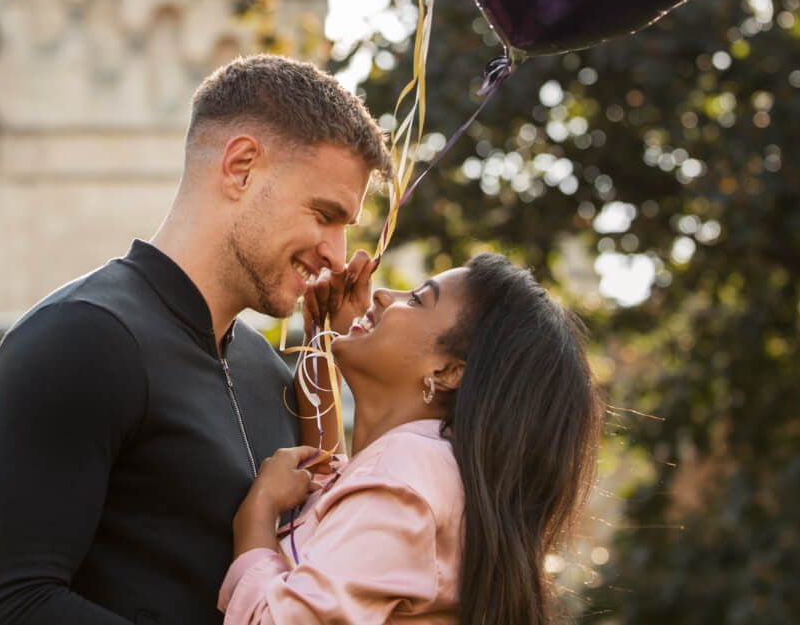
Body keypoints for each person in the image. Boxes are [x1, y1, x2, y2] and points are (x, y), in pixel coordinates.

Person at [0, 55, 392, 625]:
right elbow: (9, 609)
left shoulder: (265, 368)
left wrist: (334, 356)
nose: (337, 253)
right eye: (324, 214)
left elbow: (320, 558)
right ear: (241, 167)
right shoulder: (80, 340)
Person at [221, 252, 605, 625]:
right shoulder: (427, 471)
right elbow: (334, 495)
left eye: (418, 299)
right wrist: (324, 340)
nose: (383, 295)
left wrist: (257, 516)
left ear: (449, 371)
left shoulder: (405, 475)